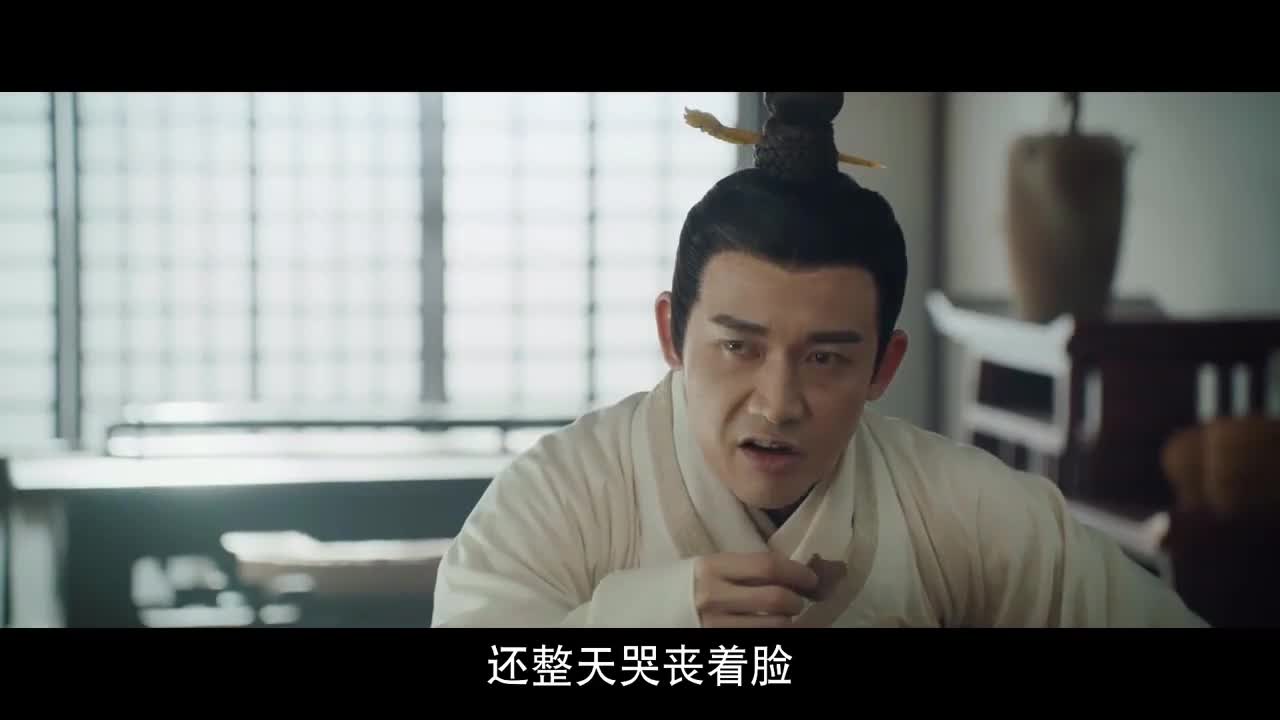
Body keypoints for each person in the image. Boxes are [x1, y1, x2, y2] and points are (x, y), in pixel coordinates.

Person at [430, 92, 1208, 628]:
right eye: (738, 346)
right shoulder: (560, 498)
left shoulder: (964, 511)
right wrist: (658, 619)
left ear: (884, 368)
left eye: (827, 358)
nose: (778, 402)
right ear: (671, 333)